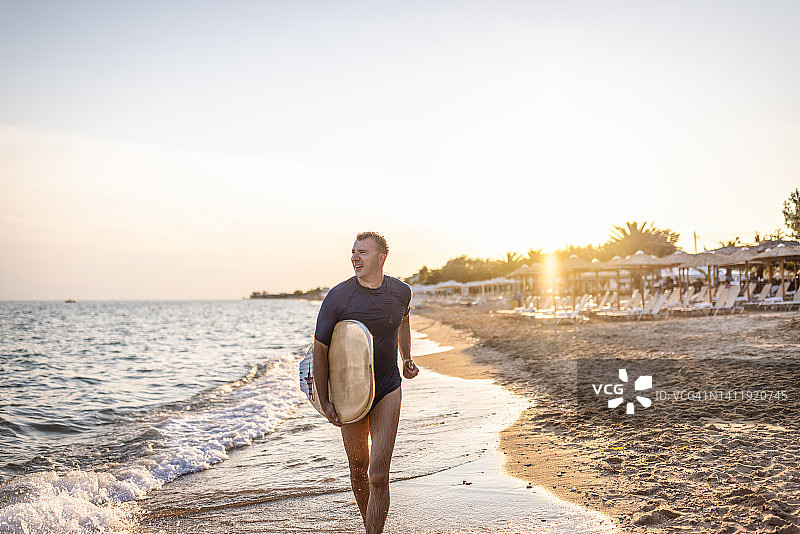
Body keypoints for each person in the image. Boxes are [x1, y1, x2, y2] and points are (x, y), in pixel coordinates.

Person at [312, 231, 418, 534]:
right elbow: (320, 350)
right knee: (359, 469)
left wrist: (406, 357)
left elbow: (404, 321)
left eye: (363, 252)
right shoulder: (339, 296)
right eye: (354, 251)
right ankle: (369, 523)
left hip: (387, 387)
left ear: (381, 258)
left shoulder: (401, 292)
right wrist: (325, 400)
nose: (355, 257)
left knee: (377, 474)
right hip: (348, 391)